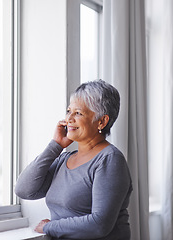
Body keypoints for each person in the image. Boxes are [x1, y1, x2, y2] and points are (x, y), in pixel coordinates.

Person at [15, 80, 133, 240]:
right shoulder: (64, 159)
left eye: (78, 113)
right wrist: (55, 146)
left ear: (102, 121)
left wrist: (49, 226)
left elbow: (100, 225)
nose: (69, 119)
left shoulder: (109, 160)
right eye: (68, 111)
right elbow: (24, 190)